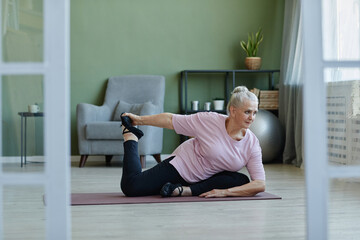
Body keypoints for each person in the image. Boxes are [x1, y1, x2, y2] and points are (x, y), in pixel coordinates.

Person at [120, 86, 265, 198]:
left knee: (241, 181)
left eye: (255, 113)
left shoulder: (252, 143)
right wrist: (138, 120)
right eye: (247, 112)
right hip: (182, 167)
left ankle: (185, 191)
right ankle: (130, 136)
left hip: (206, 180)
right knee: (131, 187)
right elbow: (171, 120)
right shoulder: (210, 120)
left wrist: (224, 192)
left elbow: (259, 184)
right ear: (233, 111)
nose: (252, 117)